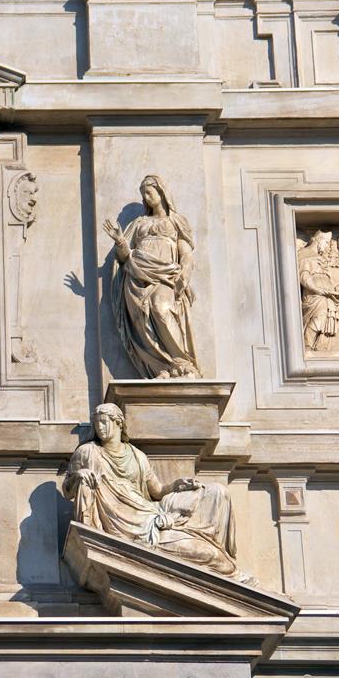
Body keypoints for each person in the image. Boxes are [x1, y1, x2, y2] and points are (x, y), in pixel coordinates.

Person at [63, 403, 250, 582]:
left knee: (217, 492)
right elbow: (67, 490)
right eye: (96, 423)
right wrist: (79, 475)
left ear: (118, 423)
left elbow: (157, 491)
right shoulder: (87, 452)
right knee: (211, 557)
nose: (100, 427)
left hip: (146, 510)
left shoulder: (137, 455)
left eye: (104, 422)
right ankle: (222, 567)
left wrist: (176, 485)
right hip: (122, 522)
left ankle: (217, 554)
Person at [103, 175, 200, 379]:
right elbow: (124, 257)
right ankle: (161, 367)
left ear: (161, 192)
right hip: (136, 277)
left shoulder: (175, 221)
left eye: (149, 192)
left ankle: (181, 361)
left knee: (161, 309)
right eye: (143, 194)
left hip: (165, 274)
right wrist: (120, 242)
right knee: (141, 319)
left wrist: (185, 271)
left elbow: (186, 254)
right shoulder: (139, 223)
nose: (146, 197)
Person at [299, 230, 339, 351]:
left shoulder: (321, 258)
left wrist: (337, 288)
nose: (326, 247)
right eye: (325, 242)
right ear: (318, 240)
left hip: (327, 294)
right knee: (319, 315)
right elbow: (303, 276)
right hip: (315, 294)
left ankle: (320, 346)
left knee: (327, 318)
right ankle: (307, 343)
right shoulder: (304, 253)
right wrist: (318, 289)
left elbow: (332, 277)